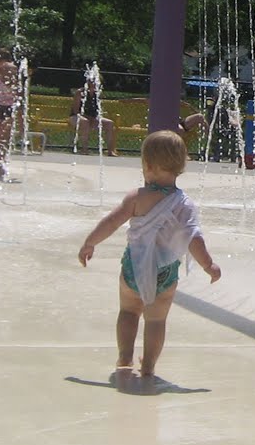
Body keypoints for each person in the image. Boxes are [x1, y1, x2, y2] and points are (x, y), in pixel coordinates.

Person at [77, 129, 220, 385]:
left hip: (133, 268)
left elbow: (111, 222)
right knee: (156, 320)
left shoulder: (137, 198)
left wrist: (90, 242)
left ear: (148, 165)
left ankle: (125, 357)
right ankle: (149, 367)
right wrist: (208, 265)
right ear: (180, 167)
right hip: (165, 272)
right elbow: (193, 238)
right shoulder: (183, 204)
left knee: (128, 312)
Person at [68, 74, 117, 156]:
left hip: (92, 118)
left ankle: (110, 150)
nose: (93, 83)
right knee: (85, 122)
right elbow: (76, 111)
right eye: (91, 80)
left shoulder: (97, 94)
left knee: (109, 123)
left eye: (95, 81)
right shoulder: (80, 92)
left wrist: (96, 118)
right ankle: (84, 149)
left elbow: (97, 111)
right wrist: (88, 118)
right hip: (76, 117)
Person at [0, 49, 18, 179]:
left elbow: (12, 85)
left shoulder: (6, 68)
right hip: (1, 105)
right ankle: (0, 165)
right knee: (0, 138)